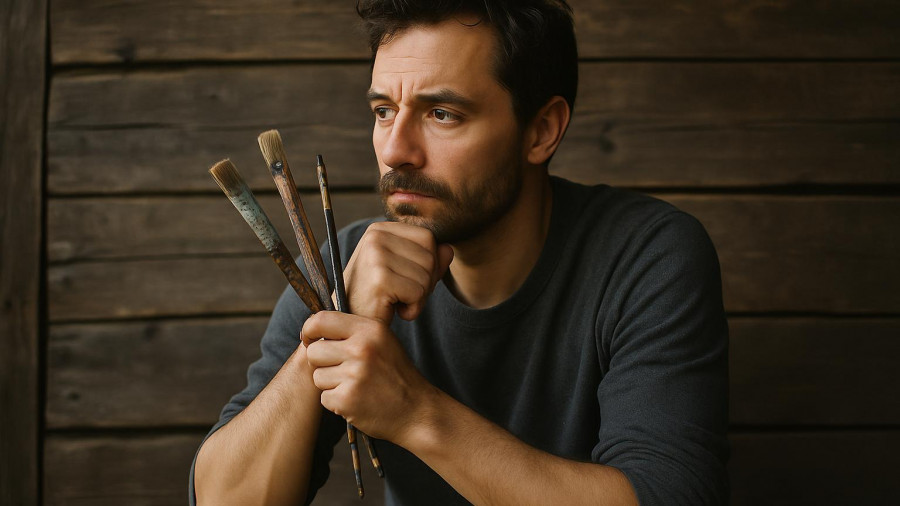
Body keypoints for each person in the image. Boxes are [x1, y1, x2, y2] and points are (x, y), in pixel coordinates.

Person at [191, 0, 729, 504]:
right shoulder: (346, 263)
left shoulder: (647, 255)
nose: (395, 150)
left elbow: (666, 495)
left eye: (442, 113)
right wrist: (327, 339)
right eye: (384, 110)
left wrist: (414, 413)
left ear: (541, 131)